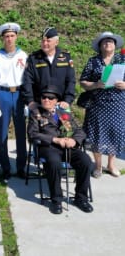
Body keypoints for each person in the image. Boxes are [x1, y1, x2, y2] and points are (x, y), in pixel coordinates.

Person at [27, 85, 93, 215]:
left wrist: (74, 140)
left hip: (67, 147)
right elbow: (32, 134)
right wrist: (55, 140)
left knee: (85, 161)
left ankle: (81, 198)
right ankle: (56, 200)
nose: (46, 100)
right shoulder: (36, 114)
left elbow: (79, 131)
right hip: (48, 147)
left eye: (50, 98)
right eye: (44, 97)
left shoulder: (64, 113)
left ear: (56, 101)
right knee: (54, 163)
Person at [79, 31, 125, 178]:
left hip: (118, 103)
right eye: (104, 41)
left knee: (115, 133)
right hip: (97, 104)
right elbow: (83, 82)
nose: (108, 43)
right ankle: (98, 166)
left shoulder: (122, 60)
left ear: (115, 45)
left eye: (110, 41)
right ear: (100, 46)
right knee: (96, 134)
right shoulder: (93, 61)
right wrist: (96, 84)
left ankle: (111, 164)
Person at [0, 23, 28, 180]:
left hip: (19, 95)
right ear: (2, 38)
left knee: (21, 133)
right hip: (3, 94)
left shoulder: (23, 56)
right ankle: (6, 168)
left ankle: (22, 167)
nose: (9, 39)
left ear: (16, 36)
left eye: (12, 36)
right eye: (6, 36)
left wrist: (28, 101)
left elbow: (28, 80)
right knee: (2, 133)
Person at [21, 27, 76, 115]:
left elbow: (71, 81)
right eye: (43, 41)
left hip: (60, 105)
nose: (45, 43)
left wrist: (67, 100)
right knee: (36, 128)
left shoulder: (66, 58)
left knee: (64, 128)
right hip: (39, 105)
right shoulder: (33, 58)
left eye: (48, 41)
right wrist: (30, 101)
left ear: (56, 42)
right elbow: (27, 81)